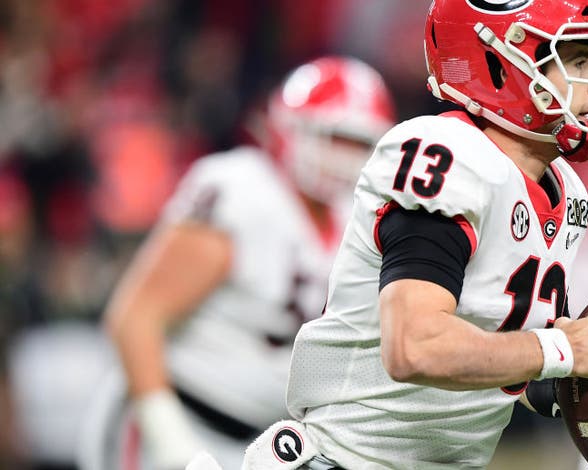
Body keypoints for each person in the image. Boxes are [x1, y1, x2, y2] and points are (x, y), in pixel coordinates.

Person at [240, 1, 588, 469]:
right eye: (578, 59)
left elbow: (507, 366)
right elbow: (414, 347)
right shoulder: (448, 156)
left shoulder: (566, 192)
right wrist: (566, 348)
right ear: (503, 66)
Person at [77, 56, 396, 470]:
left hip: (260, 444)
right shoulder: (240, 191)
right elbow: (134, 320)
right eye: (334, 136)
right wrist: (173, 442)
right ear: (289, 129)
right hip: (179, 421)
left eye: (361, 142)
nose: (346, 156)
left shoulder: (356, 220)